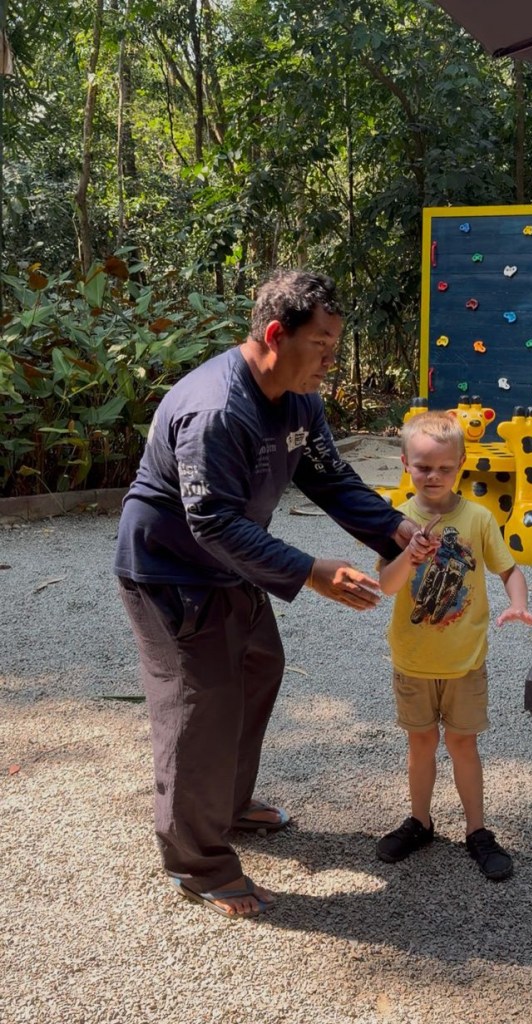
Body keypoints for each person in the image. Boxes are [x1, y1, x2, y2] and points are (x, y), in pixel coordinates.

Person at [114, 269, 414, 919]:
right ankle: (197, 862)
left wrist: (398, 533)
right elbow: (212, 520)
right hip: (170, 572)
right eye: (323, 348)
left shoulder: (299, 399)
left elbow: (333, 481)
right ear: (276, 335)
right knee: (201, 706)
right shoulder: (219, 409)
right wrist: (313, 570)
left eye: (336, 349)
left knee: (257, 669)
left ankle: (224, 806)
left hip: (232, 565)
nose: (331, 364)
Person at [376, 411, 532, 881]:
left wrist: (518, 603)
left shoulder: (478, 519)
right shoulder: (396, 521)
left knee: (463, 744)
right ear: (405, 463)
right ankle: (420, 821)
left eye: (444, 468)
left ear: (461, 465)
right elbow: (386, 587)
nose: (433, 476)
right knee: (421, 743)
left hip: (465, 661)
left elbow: (509, 569)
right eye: (423, 466)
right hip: (413, 659)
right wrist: (408, 556)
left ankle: (477, 830)